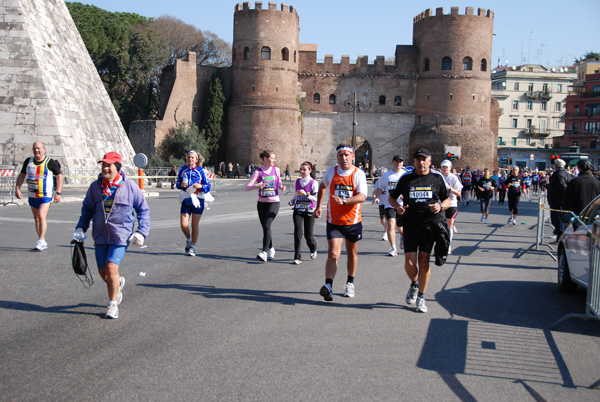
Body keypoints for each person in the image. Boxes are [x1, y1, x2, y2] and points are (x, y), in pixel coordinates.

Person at [74, 152, 150, 319]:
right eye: (103, 165)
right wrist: (80, 228)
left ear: (117, 167)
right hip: (100, 236)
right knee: (104, 273)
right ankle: (119, 283)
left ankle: (112, 305)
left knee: (111, 268)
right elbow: (87, 209)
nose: (106, 168)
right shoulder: (95, 187)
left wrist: (141, 232)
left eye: (109, 165)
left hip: (120, 236)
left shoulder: (130, 187)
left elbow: (143, 210)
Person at [388, 149, 450, 313]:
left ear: (429, 161)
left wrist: (440, 206)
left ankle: (421, 297)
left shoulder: (437, 178)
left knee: (424, 262)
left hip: (429, 225)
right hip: (410, 224)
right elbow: (391, 198)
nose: (421, 162)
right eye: (418, 159)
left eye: (424, 159)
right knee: (409, 263)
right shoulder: (406, 179)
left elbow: (447, 199)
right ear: (414, 161)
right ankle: (414, 283)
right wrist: (398, 208)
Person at [315, 144, 368, 301]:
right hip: (334, 221)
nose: (344, 158)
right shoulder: (331, 171)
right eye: (341, 155)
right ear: (337, 157)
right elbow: (322, 186)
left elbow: (362, 196)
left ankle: (350, 282)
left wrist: (344, 201)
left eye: (347, 155)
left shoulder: (358, 174)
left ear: (353, 157)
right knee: (333, 253)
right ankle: (328, 285)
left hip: (352, 221)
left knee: (352, 253)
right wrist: (319, 205)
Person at [15, 141, 63, 251]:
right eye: (35, 148)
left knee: (41, 216)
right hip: (32, 195)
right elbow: (22, 175)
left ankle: (41, 240)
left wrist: (58, 193)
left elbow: (59, 176)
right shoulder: (28, 161)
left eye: (39, 148)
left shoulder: (49, 162)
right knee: (37, 219)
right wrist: (17, 188)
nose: (37, 150)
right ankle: (42, 240)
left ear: (44, 149)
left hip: (45, 195)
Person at [245, 149, 286, 262]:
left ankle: (264, 252)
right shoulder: (258, 172)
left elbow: (279, 182)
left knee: (267, 225)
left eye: (274, 158)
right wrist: (257, 186)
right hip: (262, 203)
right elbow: (247, 187)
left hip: (274, 202)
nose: (274, 160)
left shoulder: (276, 170)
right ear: (265, 159)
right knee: (265, 227)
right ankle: (271, 248)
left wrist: (281, 186)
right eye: (272, 158)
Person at [176, 150, 211, 257]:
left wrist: (200, 186)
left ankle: (193, 247)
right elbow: (177, 184)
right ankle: (189, 239)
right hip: (186, 199)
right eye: (189, 157)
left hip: (198, 200)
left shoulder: (201, 171)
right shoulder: (183, 170)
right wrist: (181, 184)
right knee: (183, 224)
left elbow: (207, 186)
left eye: (192, 157)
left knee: (194, 224)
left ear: (196, 159)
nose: (190, 159)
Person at [372, 155, 406, 256]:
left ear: (402, 163)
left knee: (400, 227)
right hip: (390, 204)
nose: (398, 163)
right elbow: (379, 188)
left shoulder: (406, 175)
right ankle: (393, 248)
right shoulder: (386, 175)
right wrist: (377, 197)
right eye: (396, 161)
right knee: (391, 224)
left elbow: (410, 188)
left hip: (402, 205)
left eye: (400, 161)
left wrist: (406, 196)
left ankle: (403, 236)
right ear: (392, 163)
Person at [288, 161, 318, 264]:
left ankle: (313, 248)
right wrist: (292, 200)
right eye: (301, 169)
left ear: (310, 170)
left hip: (309, 210)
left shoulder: (314, 182)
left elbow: (315, 198)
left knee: (308, 236)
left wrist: (306, 195)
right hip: (298, 209)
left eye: (304, 169)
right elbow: (296, 195)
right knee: (297, 233)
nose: (302, 171)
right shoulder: (297, 182)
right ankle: (297, 257)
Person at [440, 160, 462, 254]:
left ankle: (448, 245)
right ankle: (440, 245)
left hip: (451, 204)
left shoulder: (453, 178)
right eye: (443, 167)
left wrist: (450, 189)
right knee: (440, 226)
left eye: (446, 167)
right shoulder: (439, 177)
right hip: (440, 204)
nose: (445, 169)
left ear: (450, 168)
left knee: (449, 226)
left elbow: (459, 193)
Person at [547, 158, 571, 239]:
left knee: (558, 220)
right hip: (560, 200)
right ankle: (559, 236)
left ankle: (559, 236)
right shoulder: (566, 173)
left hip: (558, 201)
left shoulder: (559, 174)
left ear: (556, 166)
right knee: (559, 219)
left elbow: (562, 187)